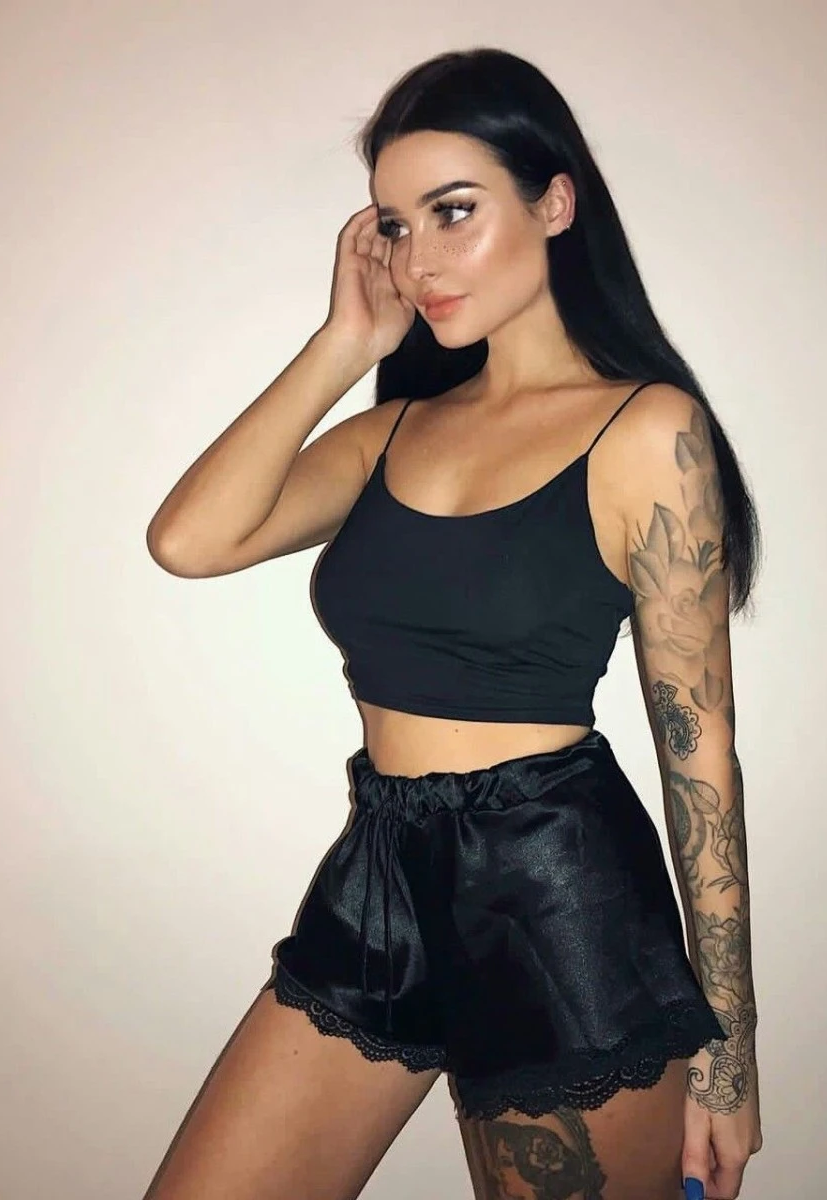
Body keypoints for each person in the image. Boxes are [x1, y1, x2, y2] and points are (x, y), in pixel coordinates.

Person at [143, 46, 763, 1200]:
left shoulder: (645, 429)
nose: (417, 257)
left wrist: (731, 1048)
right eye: (395, 224)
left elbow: (700, 755)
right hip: (380, 874)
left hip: (555, 896)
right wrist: (345, 346)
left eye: (453, 211)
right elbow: (190, 541)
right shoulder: (394, 431)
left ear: (555, 202)